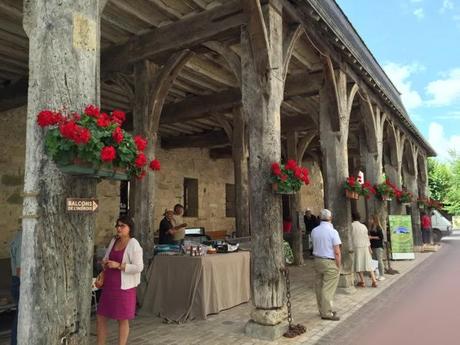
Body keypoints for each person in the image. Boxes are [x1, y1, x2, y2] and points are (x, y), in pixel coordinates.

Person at [97, 216, 144, 345]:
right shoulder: (114, 240)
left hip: (124, 287)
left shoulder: (134, 244)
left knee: (122, 319)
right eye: (117, 225)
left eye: (122, 226)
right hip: (109, 285)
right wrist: (104, 265)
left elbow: (139, 267)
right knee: (101, 317)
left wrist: (119, 266)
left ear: (130, 228)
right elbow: (106, 258)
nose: (119, 228)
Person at [311, 209, 341, 321]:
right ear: (330, 218)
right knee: (328, 288)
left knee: (319, 286)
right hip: (329, 260)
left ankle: (322, 309)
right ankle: (326, 312)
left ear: (320, 217)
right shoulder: (333, 232)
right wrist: (338, 264)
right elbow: (337, 251)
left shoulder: (314, 231)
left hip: (317, 260)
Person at [350, 212, 377, 288]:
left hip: (356, 247)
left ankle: (362, 281)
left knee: (358, 264)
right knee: (369, 264)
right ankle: (374, 281)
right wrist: (369, 248)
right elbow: (366, 237)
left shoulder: (351, 226)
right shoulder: (363, 226)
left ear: (352, 218)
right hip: (365, 246)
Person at [9, 224, 22, 345]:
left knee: (21, 316)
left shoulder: (17, 237)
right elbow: (20, 270)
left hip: (17, 281)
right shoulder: (23, 239)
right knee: (21, 318)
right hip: (21, 282)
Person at [368, 214, 385, 281]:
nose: (369, 220)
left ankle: (382, 275)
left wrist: (371, 237)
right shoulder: (372, 227)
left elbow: (381, 237)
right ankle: (377, 274)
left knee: (379, 260)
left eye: (371, 219)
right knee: (374, 261)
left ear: (374, 220)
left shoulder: (378, 227)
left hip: (378, 246)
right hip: (373, 246)